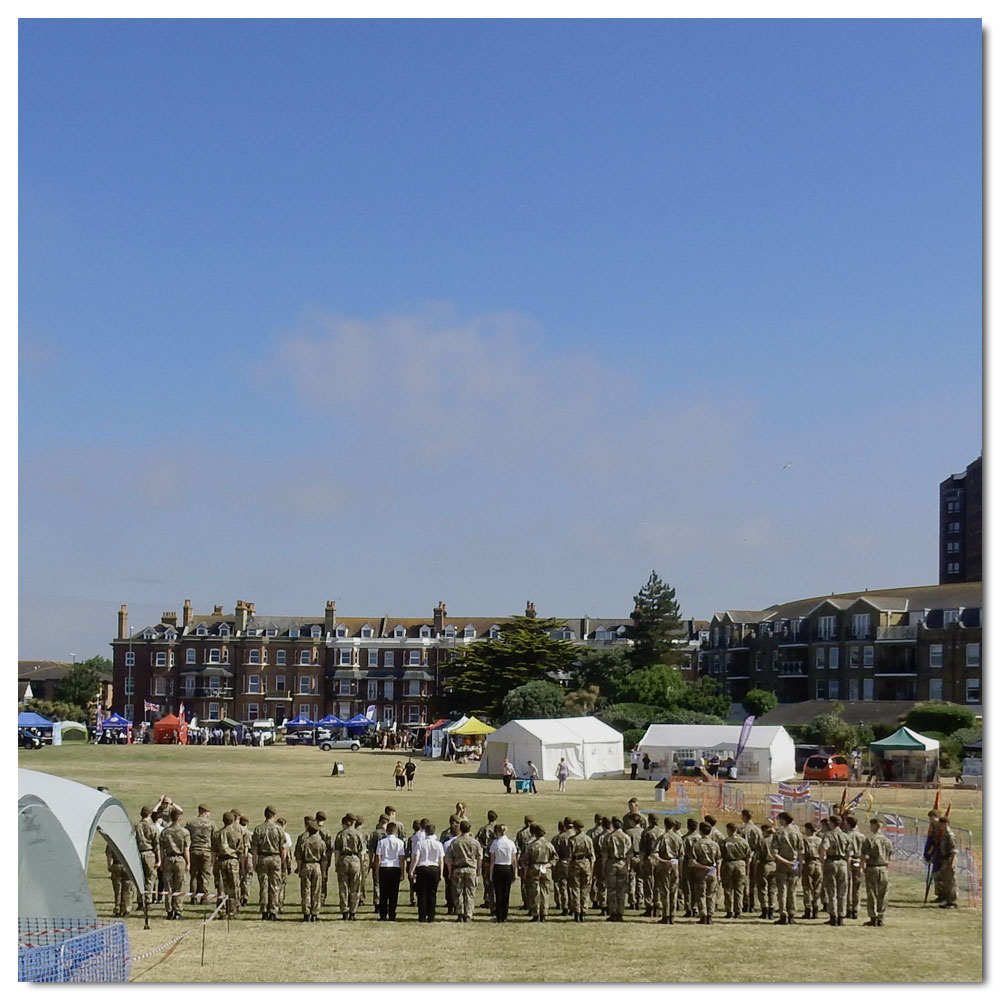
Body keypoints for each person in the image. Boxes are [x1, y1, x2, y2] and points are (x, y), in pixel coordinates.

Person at [251, 806, 286, 921]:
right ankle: (273, 911)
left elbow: (254, 849)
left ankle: (264, 910)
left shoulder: (258, 829)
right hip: (275, 858)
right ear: (274, 815)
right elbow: (283, 848)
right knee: (275, 886)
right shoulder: (279, 829)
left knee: (263, 885)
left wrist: (254, 863)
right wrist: (284, 861)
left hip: (262, 858)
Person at [445, 819, 483, 922]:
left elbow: (449, 859)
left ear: (460, 829)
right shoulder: (475, 842)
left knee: (458, 892)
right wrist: (478, 872)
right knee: (470, 893)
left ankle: (460, 913)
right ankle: (468, 914)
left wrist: (449, 872)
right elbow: (479, 858)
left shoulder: (455, 842)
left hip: (458, 869)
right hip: (471, 869)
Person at [771, 811, 804, 924]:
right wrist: (799, 865)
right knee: (792, 890)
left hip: (782, 864)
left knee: (782, 890)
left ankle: (783, 914)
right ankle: (792, 914)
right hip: (794, 864)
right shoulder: (797, 833)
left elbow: (774, 853)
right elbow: (801, 851)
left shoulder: (779, 832)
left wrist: (785, 862)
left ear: (784, 820)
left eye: (780, 819)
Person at [158, 806, 190, 920]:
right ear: (179, 819)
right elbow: (186, 849)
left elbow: (161, 849)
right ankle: (178, 911)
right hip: (180, 859)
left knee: (168, 886)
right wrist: (188, 862)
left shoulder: (165, 831)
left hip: (168, 859)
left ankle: (169, 911)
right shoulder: (184, 832)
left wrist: (161, 861)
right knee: (179, 886)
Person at [410, 822, 445, 922]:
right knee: (432, 894)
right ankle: (431, 916)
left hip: (422, 868)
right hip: (434, 868)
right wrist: (441, 873)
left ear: (425, 831)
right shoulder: (438, 844)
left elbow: (416, 858)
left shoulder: (420, 843)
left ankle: (422, 916)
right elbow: (441, 860)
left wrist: (412, 870)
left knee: (422, 893)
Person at [522, 823, 558, 922]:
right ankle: (544, 913)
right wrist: (548, 865)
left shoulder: (531, 845)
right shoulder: (549, 844)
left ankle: (535, 913)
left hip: (534, 869)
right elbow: (555, 858)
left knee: (535, 892)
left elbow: (525, 860)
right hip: (546, 869)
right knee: (545, 892)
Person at [860, 817, 893, 926]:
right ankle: (881, 916)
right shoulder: (887, 841)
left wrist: (862, 867)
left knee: (872, 893)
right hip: (883, 869)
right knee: (883, 894)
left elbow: (864, 856)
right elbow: (889, 856)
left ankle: (873, 917)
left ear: (874, 826)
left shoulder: (869, 840)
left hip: (872, 868)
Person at [689, 821, 722, 924]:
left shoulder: (696, 844)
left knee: (701, 894)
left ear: (700, 831)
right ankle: (710, 916)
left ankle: (703, 915)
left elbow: (692, 861)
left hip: (701, 871)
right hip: (713, 871)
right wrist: (718, 874)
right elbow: (718, 860)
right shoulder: (715, 844)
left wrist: (703, 866)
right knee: (711, 894)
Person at [820, 814, 851, 925]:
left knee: (831, 891)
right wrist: (848, 867)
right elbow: (848, 854)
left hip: (831, 862)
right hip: (843, 863)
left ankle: (833, 916)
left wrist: (822, 861)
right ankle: (841, 916)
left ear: (831, 823)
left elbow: (824, 849)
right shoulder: (846, 836)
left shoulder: (827, 835)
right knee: (842, 891)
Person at [334, 814, 365, 920]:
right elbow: (362, 852)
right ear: (354, 822)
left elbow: (337, 851)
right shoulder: (359, 834)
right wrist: (361, 865)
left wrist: (336, 864)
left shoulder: (340, 834)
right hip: (355, 860)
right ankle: (353, 911)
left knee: (343, 887)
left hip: (343, 860)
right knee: (355, 887)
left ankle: (344, 911)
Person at [212, 811, 244, 917]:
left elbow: (213, 852)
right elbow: (241, 851)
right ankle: (232, 910)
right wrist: (242, 866)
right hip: (233, 861)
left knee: (221, 887)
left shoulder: (217, 834)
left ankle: (222, 910)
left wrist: (213, 865)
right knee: (233, 887)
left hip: (220, 861)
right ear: (233, 821)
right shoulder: (237, 833)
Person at [374, 820, 407, 921]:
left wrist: (376, 871)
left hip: (384, 867)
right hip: (395, 868)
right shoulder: (400, 843)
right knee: (394, 893)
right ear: (396, 831)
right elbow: (401, 859)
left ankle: (383, 914)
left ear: (387, 831)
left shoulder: (381, 842)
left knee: (383, 892)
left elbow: (378, 858)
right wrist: (402, 872)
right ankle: (392, 913)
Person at [602, 817, 632, 922]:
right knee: (621, 890)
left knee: (611, 890)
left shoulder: (608, 837)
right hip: (623, 863)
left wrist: (603, 867)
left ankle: (613, 912)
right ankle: (620, 912)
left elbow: (604, 855)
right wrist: (628, 866)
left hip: (611, 863)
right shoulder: (627, 837)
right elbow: (629, 854)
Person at [654, 818, 684, 923]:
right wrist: (680, 870)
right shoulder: (678, 838)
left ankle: (665, 915)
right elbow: (681, 856)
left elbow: (654, 853)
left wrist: (662, 861)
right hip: (675, 864)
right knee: (674, 891)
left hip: (664, 864)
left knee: (664, 891)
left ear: (665, 825)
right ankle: (672, 915)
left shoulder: (662, 837)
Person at [567, 819, 595, 922]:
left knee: (575, 888)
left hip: (575, 863)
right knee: (585, 888)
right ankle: (584, 910)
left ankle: (577, 911)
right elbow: (592, 855)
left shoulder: (572, 840)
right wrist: (591, 868)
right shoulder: (588, 839)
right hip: (586, 863)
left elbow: (569, 855)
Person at [489, 823, 518, 922]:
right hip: (508, 868)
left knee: (498, 892)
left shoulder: (495, 843)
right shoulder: (511, 843)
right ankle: (504, 915)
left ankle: (499, 915)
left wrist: (490, 873)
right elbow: (514, 860)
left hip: (498, 867)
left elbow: (492, 860)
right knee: (506, 893)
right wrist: (514, 872)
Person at [720, 821, 750, 919]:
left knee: (728, 889)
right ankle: (738, 911)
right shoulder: (743, 841)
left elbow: (721, 855)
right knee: (739, 889)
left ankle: (729, 910)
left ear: (729, 830)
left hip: (728, 864)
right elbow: (748, 856)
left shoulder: (725, 842)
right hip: (741, 864)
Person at [186, 804, 216, 898]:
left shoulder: (190, 823)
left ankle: (193, 896)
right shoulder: (211, 824)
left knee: (193, 874)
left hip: (194, 850)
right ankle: (204, 897)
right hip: (206, 851)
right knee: (205, 874)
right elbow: (215, 838)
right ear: (204, 811)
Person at [134, 806, 160, 911]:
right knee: (150, 878)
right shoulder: (153, 827)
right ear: (149, 814)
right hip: (149, 854)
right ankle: (148, 901)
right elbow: (157, 845)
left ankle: (140, 901)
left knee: (140, 879)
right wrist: (159, 860)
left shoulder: (136, 826)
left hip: (138, 854)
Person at [476, 810, 499, 915]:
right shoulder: (498, 829)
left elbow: (477, 841)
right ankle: (492, 900)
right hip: (496, 857)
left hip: (485, 857)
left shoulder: (482, 829)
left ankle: (488, 899)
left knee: (487, 880)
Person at [800, 821, 824, 920]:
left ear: (809, 829)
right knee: (817, 888)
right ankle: (816, 909)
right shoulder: (820, 840)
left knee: (807, 887)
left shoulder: (805, 840)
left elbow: (801, 854)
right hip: (818, 863)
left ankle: (808, 909)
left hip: (808, 863)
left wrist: (799, 866)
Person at [844, 814, 865, 920]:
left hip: (850, 861)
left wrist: (847, 867)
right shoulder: (862, 836)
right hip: (859, 861)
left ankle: (849, 908)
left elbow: (848, 853)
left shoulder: (847, 836)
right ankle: (856, 908)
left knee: (848, 887)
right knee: (857, 887)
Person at [754, 822, 777, 920]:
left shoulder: (761, 841)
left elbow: (757, 856)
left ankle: (764, 909)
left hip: (764, 865)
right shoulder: (776, 840)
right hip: (774, 865)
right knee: (773, 889)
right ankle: (772, 908)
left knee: (762, 888)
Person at [106, 844, 133, 917]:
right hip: (127, 866)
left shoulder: (112, 840)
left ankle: (118, 908)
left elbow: (109, 854)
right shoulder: (129, 841)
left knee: (117, 889)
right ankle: (126, 910)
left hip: (116, 865)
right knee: (127, 890)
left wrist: (109, 866)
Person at [937, 816, 958, 908]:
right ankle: (947, 899)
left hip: (950, 859)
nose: (940, 826)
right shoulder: (945, 834)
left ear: (945, 824)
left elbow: (954, 850)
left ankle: (952, 901)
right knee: (946, 880)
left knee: (951, 881)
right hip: (945, 859)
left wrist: (952, 862)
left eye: (941, 824)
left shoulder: (950, 835)